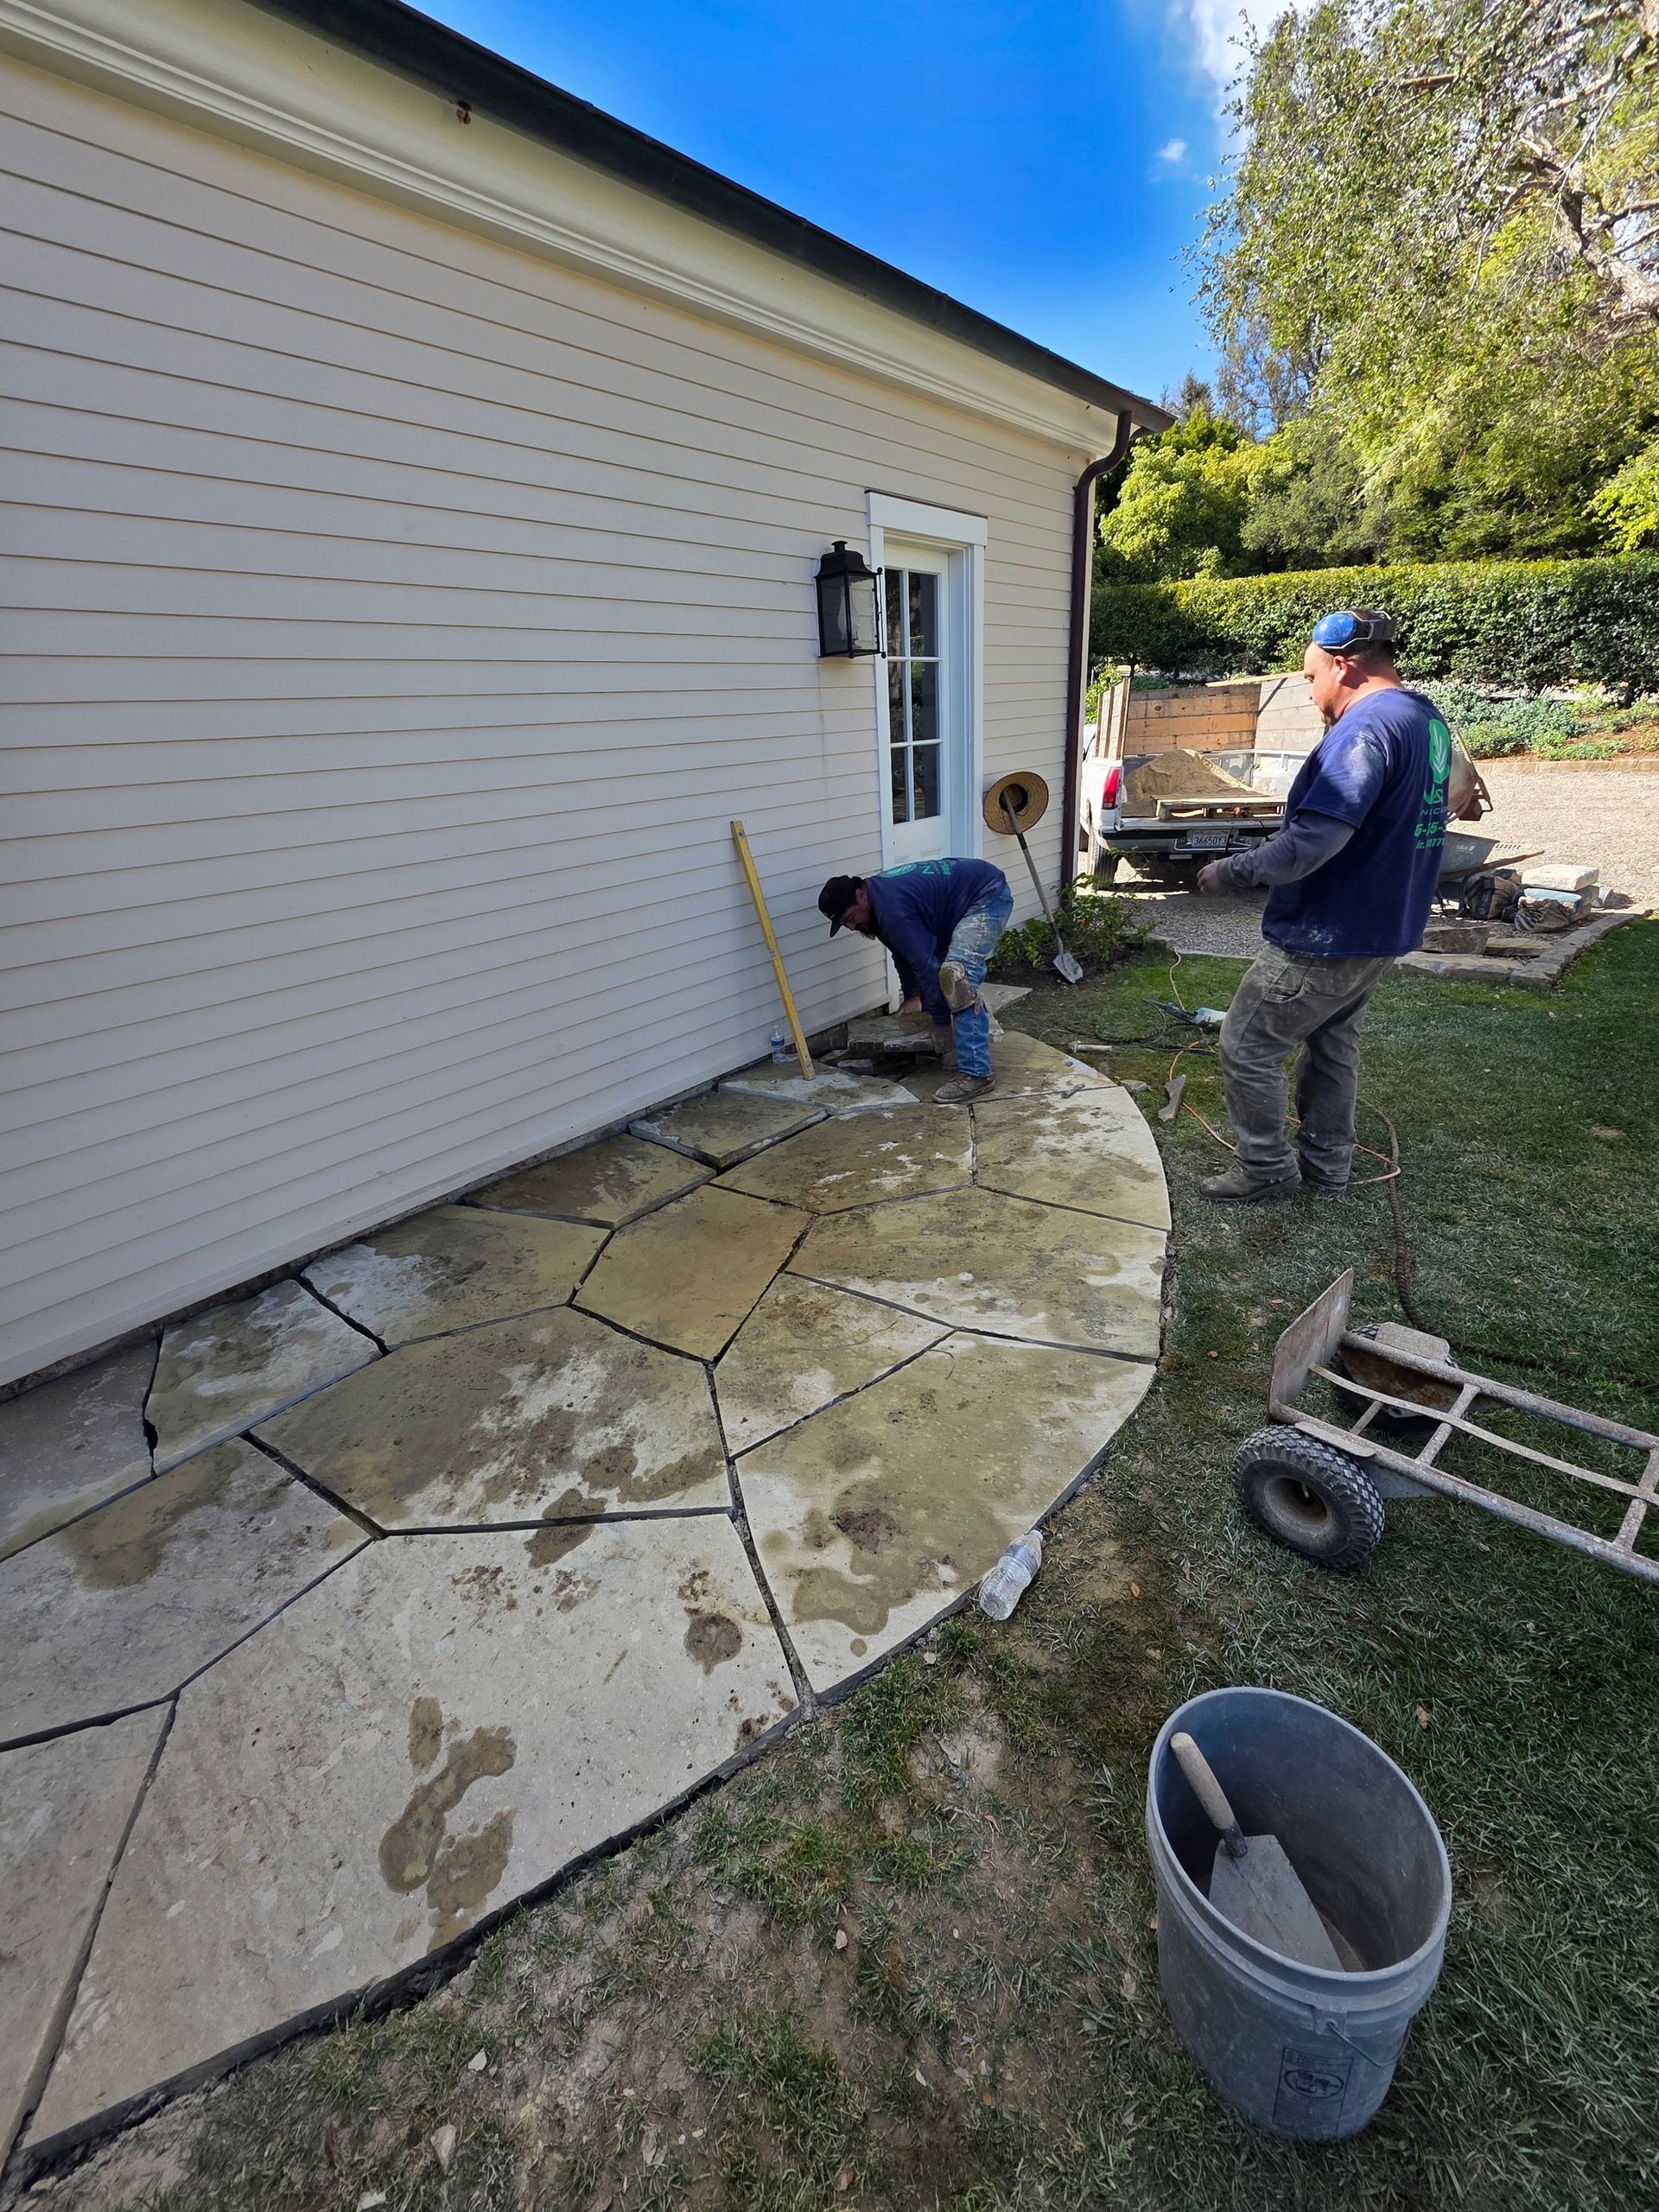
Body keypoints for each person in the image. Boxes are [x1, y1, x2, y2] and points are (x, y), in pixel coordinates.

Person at [1193, 607, 1452, 1202]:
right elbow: (1454, 794)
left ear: (1343, 666)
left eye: (1311, 679)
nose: (1310, 694)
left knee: (1247, 1044)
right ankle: (1327, 1169)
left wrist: (1230, 872)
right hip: (1383, 925)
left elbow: (1315, 840)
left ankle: (1265, 1169)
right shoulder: (1424, 718)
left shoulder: (1364, 730)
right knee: (1333, 1044)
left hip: (1327, 931)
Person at [817, 857, 1014, 1103]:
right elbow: (902, 951)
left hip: (986, 895)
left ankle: (977, 1074)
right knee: (942, 977)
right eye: (843, 924)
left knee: (955, 977)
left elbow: (925, 966)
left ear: (859, 896)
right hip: (956, 905)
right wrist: (912, 995)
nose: (850, 926)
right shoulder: (876, 900)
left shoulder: (891, 909)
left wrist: (940, 1023)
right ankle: (965, 1047)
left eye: (848, 918)